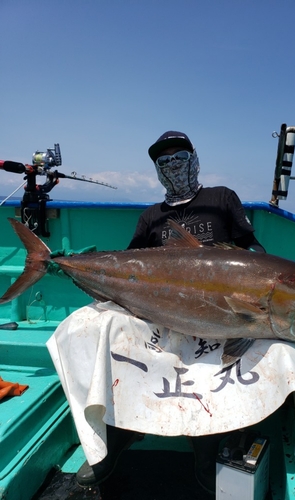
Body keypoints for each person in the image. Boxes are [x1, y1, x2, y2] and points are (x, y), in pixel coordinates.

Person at [76, 130, 265, 494]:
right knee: (94, 327)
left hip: (219, 312)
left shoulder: (221, 198)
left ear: (195, 159)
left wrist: (256, 263)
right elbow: (130, 262)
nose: (173, 165)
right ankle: (116, 433)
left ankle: (206, 444)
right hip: (160, 311)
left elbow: (249, 243)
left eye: (180, 157)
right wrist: (72, 265)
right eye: (164, 161)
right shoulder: (151, 216)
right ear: (157, 170)